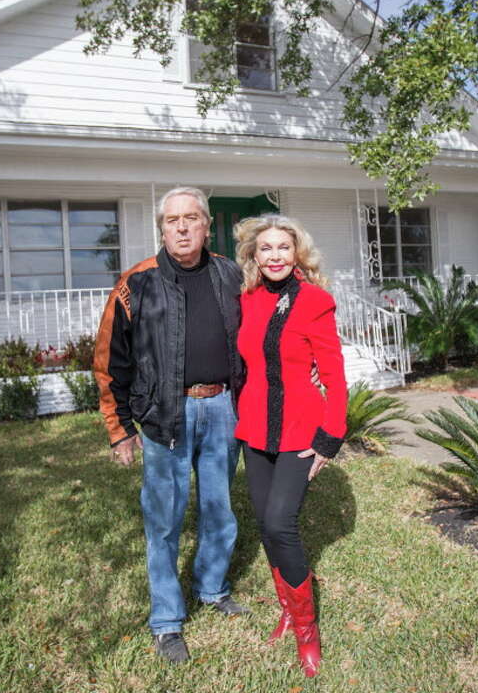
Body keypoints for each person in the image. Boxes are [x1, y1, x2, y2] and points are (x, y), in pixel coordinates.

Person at [93, 186, 248, 664]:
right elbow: (109, 360)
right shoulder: (136, 282)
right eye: (172, 220)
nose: (182, 227)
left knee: (220, 510)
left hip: (222, 409)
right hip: (165, 416)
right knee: (163, 521)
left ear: (207, 226)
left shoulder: (231, 274)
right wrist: (120, 428)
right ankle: (166, 620)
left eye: (191, 218)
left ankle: (212, 588)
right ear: (162, 228)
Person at [232, 214, 348, 678]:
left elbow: (335, 376)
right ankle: (286, 609)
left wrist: (330, 438)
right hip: (255, 429)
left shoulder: (316, 301)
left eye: (283, 247)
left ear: (297, 252)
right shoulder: (248, 299)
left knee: (281, 523)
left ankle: (307, 630)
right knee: (265, 524)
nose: (275, 255)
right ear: (254, 256)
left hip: (300, 429)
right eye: (266, 248)